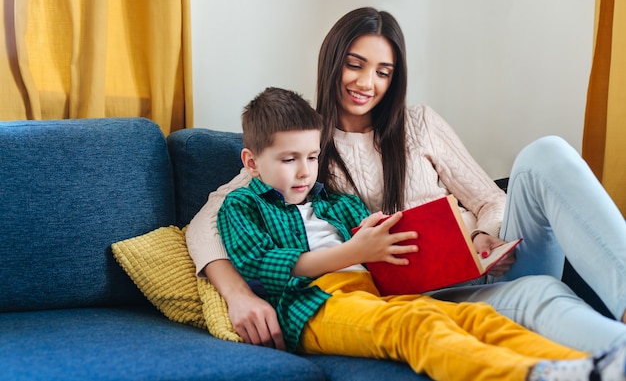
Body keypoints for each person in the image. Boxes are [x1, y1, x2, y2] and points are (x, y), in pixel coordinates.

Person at [186, 7, 626, 354]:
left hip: (482, 267)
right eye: (354, 65)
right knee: (543, 292)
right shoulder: (302, 148)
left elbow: (493, 201)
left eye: (383, 71)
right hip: (427, 301)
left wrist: (485, 238)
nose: (366, 83)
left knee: (544, 154)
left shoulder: (420, 124)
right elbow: (206, 222)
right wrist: (238, 294)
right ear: (332, 62)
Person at [215, 86, 626, 381]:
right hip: (314, 306)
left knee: (474, 316)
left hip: (382, 293)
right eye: (289, 159)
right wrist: (355, 251)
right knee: (416, 327)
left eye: (312, 156)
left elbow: (380, 249)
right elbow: (263, 265)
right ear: (252, 162)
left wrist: (416, 246)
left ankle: (594, 366)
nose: (304, 171)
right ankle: (535, 374)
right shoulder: (243, 205)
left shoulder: (336, 203)